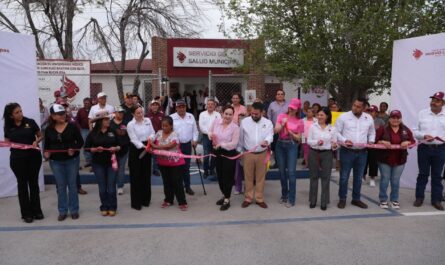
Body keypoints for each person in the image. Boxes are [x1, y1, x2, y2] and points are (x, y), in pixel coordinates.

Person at [3, 103, 44, 223]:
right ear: (11, 116)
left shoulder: (30, 122)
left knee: (34, 184)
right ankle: (26, 214)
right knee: (22, 185)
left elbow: (40, 135)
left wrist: (37, 141)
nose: (20, 113)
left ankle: (37, 211)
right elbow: (7, 142)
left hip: (33, 158)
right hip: (17, 160)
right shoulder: (8, 127)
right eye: (17, 112)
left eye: (20, 111)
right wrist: (9, 144)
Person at [44, 104, 84, 221]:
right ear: (53, 116)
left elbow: (80, 142)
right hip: (56, 162)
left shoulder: (72, 127)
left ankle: (74, 210)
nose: (63, 116)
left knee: (72, 185)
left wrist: (74, 149)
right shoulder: (48, 129)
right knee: (61, 186)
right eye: (59, 114)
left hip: (72, 160)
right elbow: (47, 146)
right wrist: (46, 154)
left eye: (63, 113)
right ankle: (62, 210)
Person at [336, 98, 375, 209]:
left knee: (358, 178)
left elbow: (372, 132)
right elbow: (336, 132)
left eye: (358, 106)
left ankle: (356, 199)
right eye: (354, 105)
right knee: (344, 177)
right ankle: (342, 199)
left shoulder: (368, 118)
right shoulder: (344, 117)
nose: (355, 107)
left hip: (362, 153)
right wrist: (344, 140)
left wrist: (371, 141)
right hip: (347, 152)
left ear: (364, 108)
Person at [375, 110, 415, 210]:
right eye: (393, 117)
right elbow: (374, 141)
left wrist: (407, 142)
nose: (395, 120)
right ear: (389, 118)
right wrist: (382, 141)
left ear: (401, 119)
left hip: (400, 159)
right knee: (385, 179)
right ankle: (383, 199)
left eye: (398, 118)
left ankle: (394, 200)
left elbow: (413, 142)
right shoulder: (382, 129)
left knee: (395, 180)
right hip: (385, 159)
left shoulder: (406, 129)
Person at [413, 91, 445, 211]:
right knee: (423, 174)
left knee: (437, 176)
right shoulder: (422, 113)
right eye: (433, 100)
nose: (434, 102)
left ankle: (436, 200)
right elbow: (414, 130)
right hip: (424, 148)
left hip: (441, 149)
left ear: (443, 103)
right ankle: (419, 198)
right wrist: (423, 136)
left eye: (437, 101)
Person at [238, 102, 274, 208]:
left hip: (262, 153)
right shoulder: (244, 122)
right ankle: (248, 198)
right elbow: (241, 138)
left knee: (260, 177)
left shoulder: (268, 123)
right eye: (252, 113)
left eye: (256, 114)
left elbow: (270, 135)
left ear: (262, 112)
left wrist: (266, 141)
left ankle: (259, 198)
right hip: (248, 153)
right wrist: (240, 151)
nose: (254, 115)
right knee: (248, 177)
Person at [85, 110, 120, 216]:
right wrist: (94, 149)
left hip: (111, 162)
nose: (108, 121)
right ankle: (104, 206)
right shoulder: (93, 133)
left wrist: (115, 148)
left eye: (108, 119)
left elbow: (120, 145)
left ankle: (112, 206)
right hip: (98, 163)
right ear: (100, 121)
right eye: (106, 119)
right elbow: (86, 148)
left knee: (111, 186)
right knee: (102, 186)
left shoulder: (113, 131)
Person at [152, 116, 188, 211]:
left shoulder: (175, 134)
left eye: (166, 126)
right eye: (163, 125)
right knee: (166, 182)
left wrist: (155, 146)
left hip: (175, 163)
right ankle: (168, 200)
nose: (164, 127)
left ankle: (182, 202)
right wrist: (151, 145)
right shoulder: (158, 133)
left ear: (171, 126)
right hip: (162, 162)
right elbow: (151, 142)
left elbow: (169, 146)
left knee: (177, 182)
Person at [273, 98, 304, 207]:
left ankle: (292, 198)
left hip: (291, 146)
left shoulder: (300, 121)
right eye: (290, 107)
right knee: (282, 172)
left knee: (291, 172)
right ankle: (284, 195)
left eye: (294, 108)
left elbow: (299, 139)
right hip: (280, 145)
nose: (291, 109)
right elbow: (275, 130)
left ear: (297, 109)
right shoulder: (282, 116)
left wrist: (290, 132)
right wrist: (282, 124)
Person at [209, 106, 239, 211]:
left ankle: (227, 199)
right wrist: (210, 135)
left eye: (230, 114)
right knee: (220, 176)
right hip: (217, 152)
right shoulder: (216, 122)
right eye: (226, 113)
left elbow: (234, 144)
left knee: (227, 177)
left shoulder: (235, 127)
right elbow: (210, 131)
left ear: (233, 115)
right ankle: (224, 194)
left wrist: (222, 144)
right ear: (222, 113)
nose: (228, 116)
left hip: (229, 153)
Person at [307, 107, 337, 210]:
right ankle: (313, 200)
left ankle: (324, 202)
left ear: (327, 116)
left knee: (326, 178)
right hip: (314, 153)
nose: (319, 117)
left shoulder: (332, 128)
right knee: (313, 177)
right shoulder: (312, 127)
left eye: (322, 115)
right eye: (318, 115)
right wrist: (316, 142)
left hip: (327, 154)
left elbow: (335, 142)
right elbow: (308, 141)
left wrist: (335, 146)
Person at [127, 105, 155, 210]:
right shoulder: (130, 124)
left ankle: (146, 200)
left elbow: (153, 132)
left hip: (147, 147)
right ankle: (136, 202)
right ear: (133, 114)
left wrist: (150, 140)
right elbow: (133, 139)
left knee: (146, 175)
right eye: (138, 113)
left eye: (141, 112)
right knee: (136, 176)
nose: (140, 115)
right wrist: (144, 147)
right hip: (136, 150)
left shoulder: (147, 120)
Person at [171, 99, 199, 195]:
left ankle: (187, 186)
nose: (181, 108)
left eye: (183, 106)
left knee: (186, 167)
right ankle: (177, 187)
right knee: (176, 168)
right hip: (175, 146)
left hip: (187, 145)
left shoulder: (191, 116)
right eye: (179, 107)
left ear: (186, 107)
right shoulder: (171, 117)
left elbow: (195, 130)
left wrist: (195, 140)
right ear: (176, 108)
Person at [198, 98, 221, 179]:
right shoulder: (202, 114)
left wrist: (214, 134)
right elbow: (201, 126)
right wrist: (208, 133)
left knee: (214, 154)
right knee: (206, 154)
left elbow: (219, 125)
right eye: (209, 104)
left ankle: (212, 170)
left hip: (215, 136)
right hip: (205, 136)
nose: (210, 105)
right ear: (206, 105)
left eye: (212, 104)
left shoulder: (218, 114)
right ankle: (206, 171)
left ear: (214, 106)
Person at [110, 106, 130, 195]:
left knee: (121, 169)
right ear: (115, 113)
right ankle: (111, 184)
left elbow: (129, 135)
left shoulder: (126, 123)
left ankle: (120, 186)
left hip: (124, 150)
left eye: (122, 113)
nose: (121, 114)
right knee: (113, 169)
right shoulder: (110, 123)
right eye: (119, 112)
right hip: (112, 151)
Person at [363, 105, 385, 187]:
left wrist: (381, 141)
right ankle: (363, 176)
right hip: (364, 144)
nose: (370, 113)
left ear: (376, 113)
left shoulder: (380, 121)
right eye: (368, 111)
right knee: (364, 161)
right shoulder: (363, 120)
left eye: (372, 111)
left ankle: (372, 178)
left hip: (375, 145)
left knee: (373, 162)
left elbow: (384, 133)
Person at [267, 89, 289, 168]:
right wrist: (271, 128)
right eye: (278, 94)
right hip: (275, 130)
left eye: (281, 94)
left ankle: (286, 164)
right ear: (276, 96)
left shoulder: (288, 105)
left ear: (284, 95)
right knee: (276, 147)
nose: (280, 95)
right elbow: (269, 117)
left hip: (286, 130)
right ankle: (277, 163)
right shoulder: (272, 105)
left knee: (286, 146)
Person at [146, 98, 165, 176]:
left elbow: (164, 126)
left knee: (156, 155)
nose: (154, 106)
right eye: (153, 105)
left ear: (158, 106)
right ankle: (147, 169)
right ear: (150, 106)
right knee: (148, 154)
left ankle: (155, 169)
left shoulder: (162, 115)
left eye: (156, 105)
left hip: (158, 137)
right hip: (149, 138)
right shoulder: (146, 115)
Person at [75, 97, 92, 168]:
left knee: (93, 145)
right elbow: (77, 120)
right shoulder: (80, 111)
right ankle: (88, 161)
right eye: (85, 103)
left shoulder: (93, 110)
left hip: (93, 130)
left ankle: (93, 161)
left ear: (91, 103)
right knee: (85, 144)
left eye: (88, 103)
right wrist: (80, 128)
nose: (86, 104)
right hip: (84, 130)